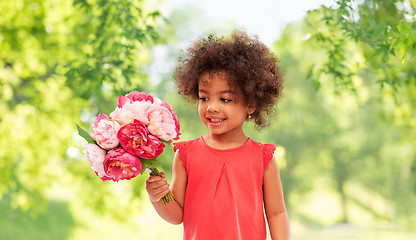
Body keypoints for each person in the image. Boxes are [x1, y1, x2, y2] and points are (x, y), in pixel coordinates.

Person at [146, 30, 290, 240]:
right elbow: (177, 215)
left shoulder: (263, 158)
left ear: (250, 104)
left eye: (225, 100)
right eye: (204, 98)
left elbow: (277, 213)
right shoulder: (186, 155)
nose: (211, 107)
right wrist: (158, 197)